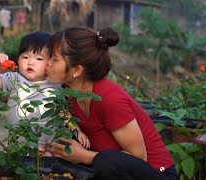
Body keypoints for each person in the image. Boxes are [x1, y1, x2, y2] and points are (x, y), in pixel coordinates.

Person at [44, 26, 179, 179]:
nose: (48, 63)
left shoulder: (110, 99)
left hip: (157, 174)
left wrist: (83, 156)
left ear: (76, 70)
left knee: (106, 161)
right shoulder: (68, 92)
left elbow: (138, 159)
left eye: (54, 59)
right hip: (112, 171)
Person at [0, 32, 90, 154]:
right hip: (19, 142)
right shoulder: (14, 79)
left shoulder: (55, 85)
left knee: (45, 170)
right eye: (25, 57)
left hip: (48, 145)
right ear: (18, 59)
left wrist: (77, 131)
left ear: (50, 63)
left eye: (39, 58)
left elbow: (63, 113)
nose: (30, 62)